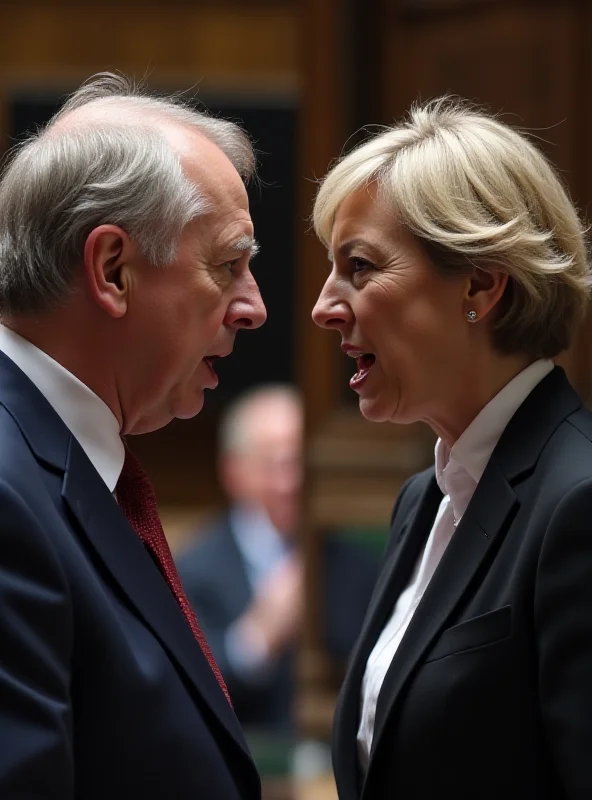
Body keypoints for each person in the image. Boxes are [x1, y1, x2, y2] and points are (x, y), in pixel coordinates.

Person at [311, 97, 592, 799]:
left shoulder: (579, 501)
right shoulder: (424, 499)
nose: (324, 305)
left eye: (360, 267)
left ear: (480, 285)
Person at [0, 73, 267, 799]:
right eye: (229, 265)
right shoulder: (7, 492)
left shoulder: (66, 468)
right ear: (113, 270)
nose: (255, 309)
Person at [176, 385, 379, 730]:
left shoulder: (358, 565)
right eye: (277, 464)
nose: (293, 481)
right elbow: (185, 690)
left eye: (303, 462)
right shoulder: (193, 568)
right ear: (234, 470)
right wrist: (258, 637)